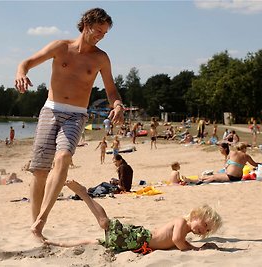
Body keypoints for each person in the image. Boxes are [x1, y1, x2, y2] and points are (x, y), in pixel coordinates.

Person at [14, 8, 124, 241]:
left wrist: (117, 105)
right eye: (98, 30)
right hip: (50, 110)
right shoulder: (60, 47)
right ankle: (36, 229)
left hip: (76, 116)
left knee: (63, 158)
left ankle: (41, 221)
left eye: (104, 33)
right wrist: (21, 72)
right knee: (40, 172)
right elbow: (27, 62)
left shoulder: (100, 58)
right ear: (86, 24)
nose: (100, 36)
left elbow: (111, 89)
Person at [46, 180, 222, 253]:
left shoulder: (186, 231)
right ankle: (84, 194)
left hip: (137, 243)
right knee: (105, 223)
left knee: (97, 242)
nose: (203, 230)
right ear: (195, 215)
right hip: (138, 237)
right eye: (205, 224)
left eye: (207, 230)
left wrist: (195, 246)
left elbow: (177, 243)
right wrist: (196, 249)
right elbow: (177, 241)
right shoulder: (181, 222)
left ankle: (58, 243)